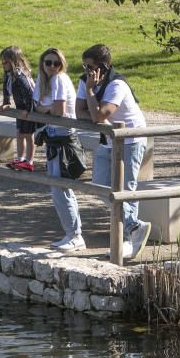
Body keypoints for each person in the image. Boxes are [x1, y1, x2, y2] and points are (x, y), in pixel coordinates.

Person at [76, 44, 151, 259]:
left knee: (126, 188)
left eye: (90, 66)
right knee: (100, 186)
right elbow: (78, 111)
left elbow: (99, 117)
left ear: (103, 66)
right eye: (84, 66)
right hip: (108, 140)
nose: (86, 71)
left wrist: (91, 92)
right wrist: (91, 103)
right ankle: (134, 227)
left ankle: (129, 239)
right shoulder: (84, 80)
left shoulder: (117, 84)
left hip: (131, 139)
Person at [32, 47, 83, 252]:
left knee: (61, 188)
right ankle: (72, 233)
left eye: (56, 63)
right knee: (57, 189)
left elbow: (59, 110)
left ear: (61, 65)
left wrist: (47, 109)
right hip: (52, 137)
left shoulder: (60, 79)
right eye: (48, 63)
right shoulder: (43, 80)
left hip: (63, 139)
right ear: (42, 64)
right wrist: (47, 109)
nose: (52, 67)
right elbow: (38, 107)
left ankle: (74, 235)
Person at [0, 46, 40, 171]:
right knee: (19, 134)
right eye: (2, 61)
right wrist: (6, 102)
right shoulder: (9, 74)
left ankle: (29, 161)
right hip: (19, 108)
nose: (3, 64)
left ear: (14, 61)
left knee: (28, 134)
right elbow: (6, 88)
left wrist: (28, 109)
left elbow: (30, 93)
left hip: (29, 107)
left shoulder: (21, 76)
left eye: (5, 62)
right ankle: (20, 158)